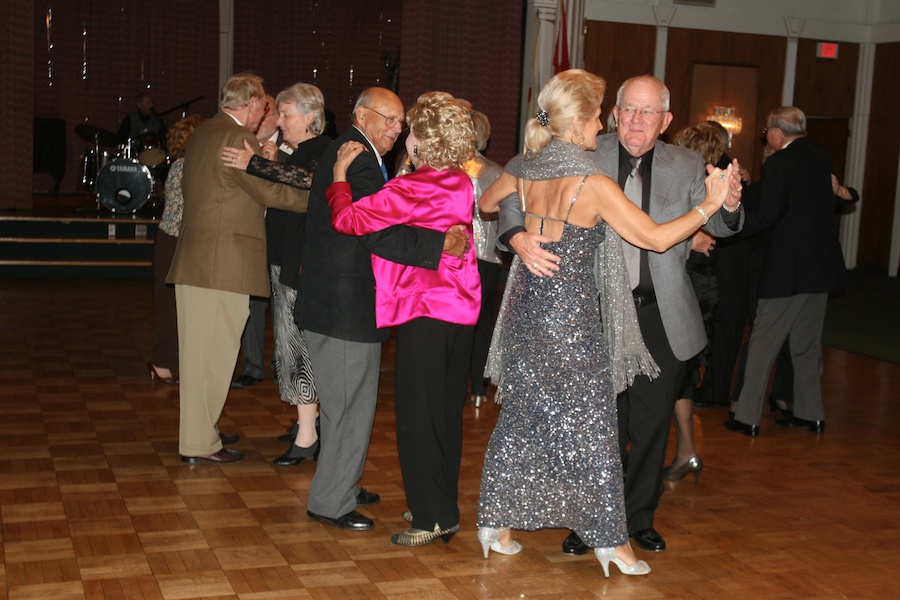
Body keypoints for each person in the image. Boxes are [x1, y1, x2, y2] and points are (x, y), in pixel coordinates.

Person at [476, 69, 736, 577]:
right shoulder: (590, 182)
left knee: (522, 419)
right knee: (594, 431)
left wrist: (524, 231)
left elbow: (487, 200)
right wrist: (707, 204)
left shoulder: (527, 165)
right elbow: (657, 239)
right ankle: (612, 544)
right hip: (574, 322)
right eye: (599, 116)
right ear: (579, 123)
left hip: (527, 315)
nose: (607, 123)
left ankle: (496, 525)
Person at [295, 87, 470, 532]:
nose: (396, 128)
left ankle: (342, 485)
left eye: (402, 122)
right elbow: (370, 231)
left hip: (358, 302)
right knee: (349, 406)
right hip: (346, 303)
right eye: (388, 119)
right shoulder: (356, 157)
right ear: (360, 114)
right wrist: (439, 243)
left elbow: (383, 216)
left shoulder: (366, 158)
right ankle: (332, 500)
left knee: (349, 405)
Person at [167, 72, 310, 464]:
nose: (264, 112)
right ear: (249, 102)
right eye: (264, 105)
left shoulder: (203, 132)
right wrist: (317, 198)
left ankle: (201, 430)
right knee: (212, 355)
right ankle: (198, 442)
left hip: (201, 258)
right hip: (222, 260)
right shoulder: (237, 138)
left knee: (199, 354)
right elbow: (269, 192)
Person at [222, 83, 331, 466]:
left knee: (297, 345)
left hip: (300, 261)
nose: (278, 121)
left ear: (311, 117)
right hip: (283, 257)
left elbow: (309, 182)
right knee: (287, 343)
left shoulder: (323, 148)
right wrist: (272, 158)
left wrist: (254, 163)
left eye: (286, 115)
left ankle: (307, 435)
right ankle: (308, 422)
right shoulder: (295, 150)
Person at [724, 107, 848, 436]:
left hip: (787, 271)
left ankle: (746, 417)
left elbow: (769, 214)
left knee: (763, 344)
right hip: (819, 269)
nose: (767, 137)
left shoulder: (779, 162)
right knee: (807, 346)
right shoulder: (822, 159)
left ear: (779, 133)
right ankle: (812, 415)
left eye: (767, 132)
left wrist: (732, 227)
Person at [663, 123, 729, 483]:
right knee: (682, 376)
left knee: (675, 375)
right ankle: (686, 451)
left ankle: (683, 451)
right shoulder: (715, 184)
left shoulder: (690, 184)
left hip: (686, 283)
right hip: (704, 284)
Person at [148, 115, 204, 385]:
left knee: (175, 307)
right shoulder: (186, 167)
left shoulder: (182, 165)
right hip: (174, 241)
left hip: (173, 240)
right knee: (170, 308)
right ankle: (161, 363)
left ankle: (166, 360)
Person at [231, 94, 278, 391]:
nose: (256, 117)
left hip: (280, 236)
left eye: (261, 112)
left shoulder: (288, 148)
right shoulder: (243, 144)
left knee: (285, 305)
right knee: (253, 303)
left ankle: (282, 364)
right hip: (252, 234)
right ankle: (252, 366)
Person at [464, 110, 504, 408]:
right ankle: (478, 386)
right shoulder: (496, 171)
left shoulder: (446, 168)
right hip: (487, 256)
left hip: (455, 255)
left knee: (457, 324)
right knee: (483, 323)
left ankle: (454, 383)